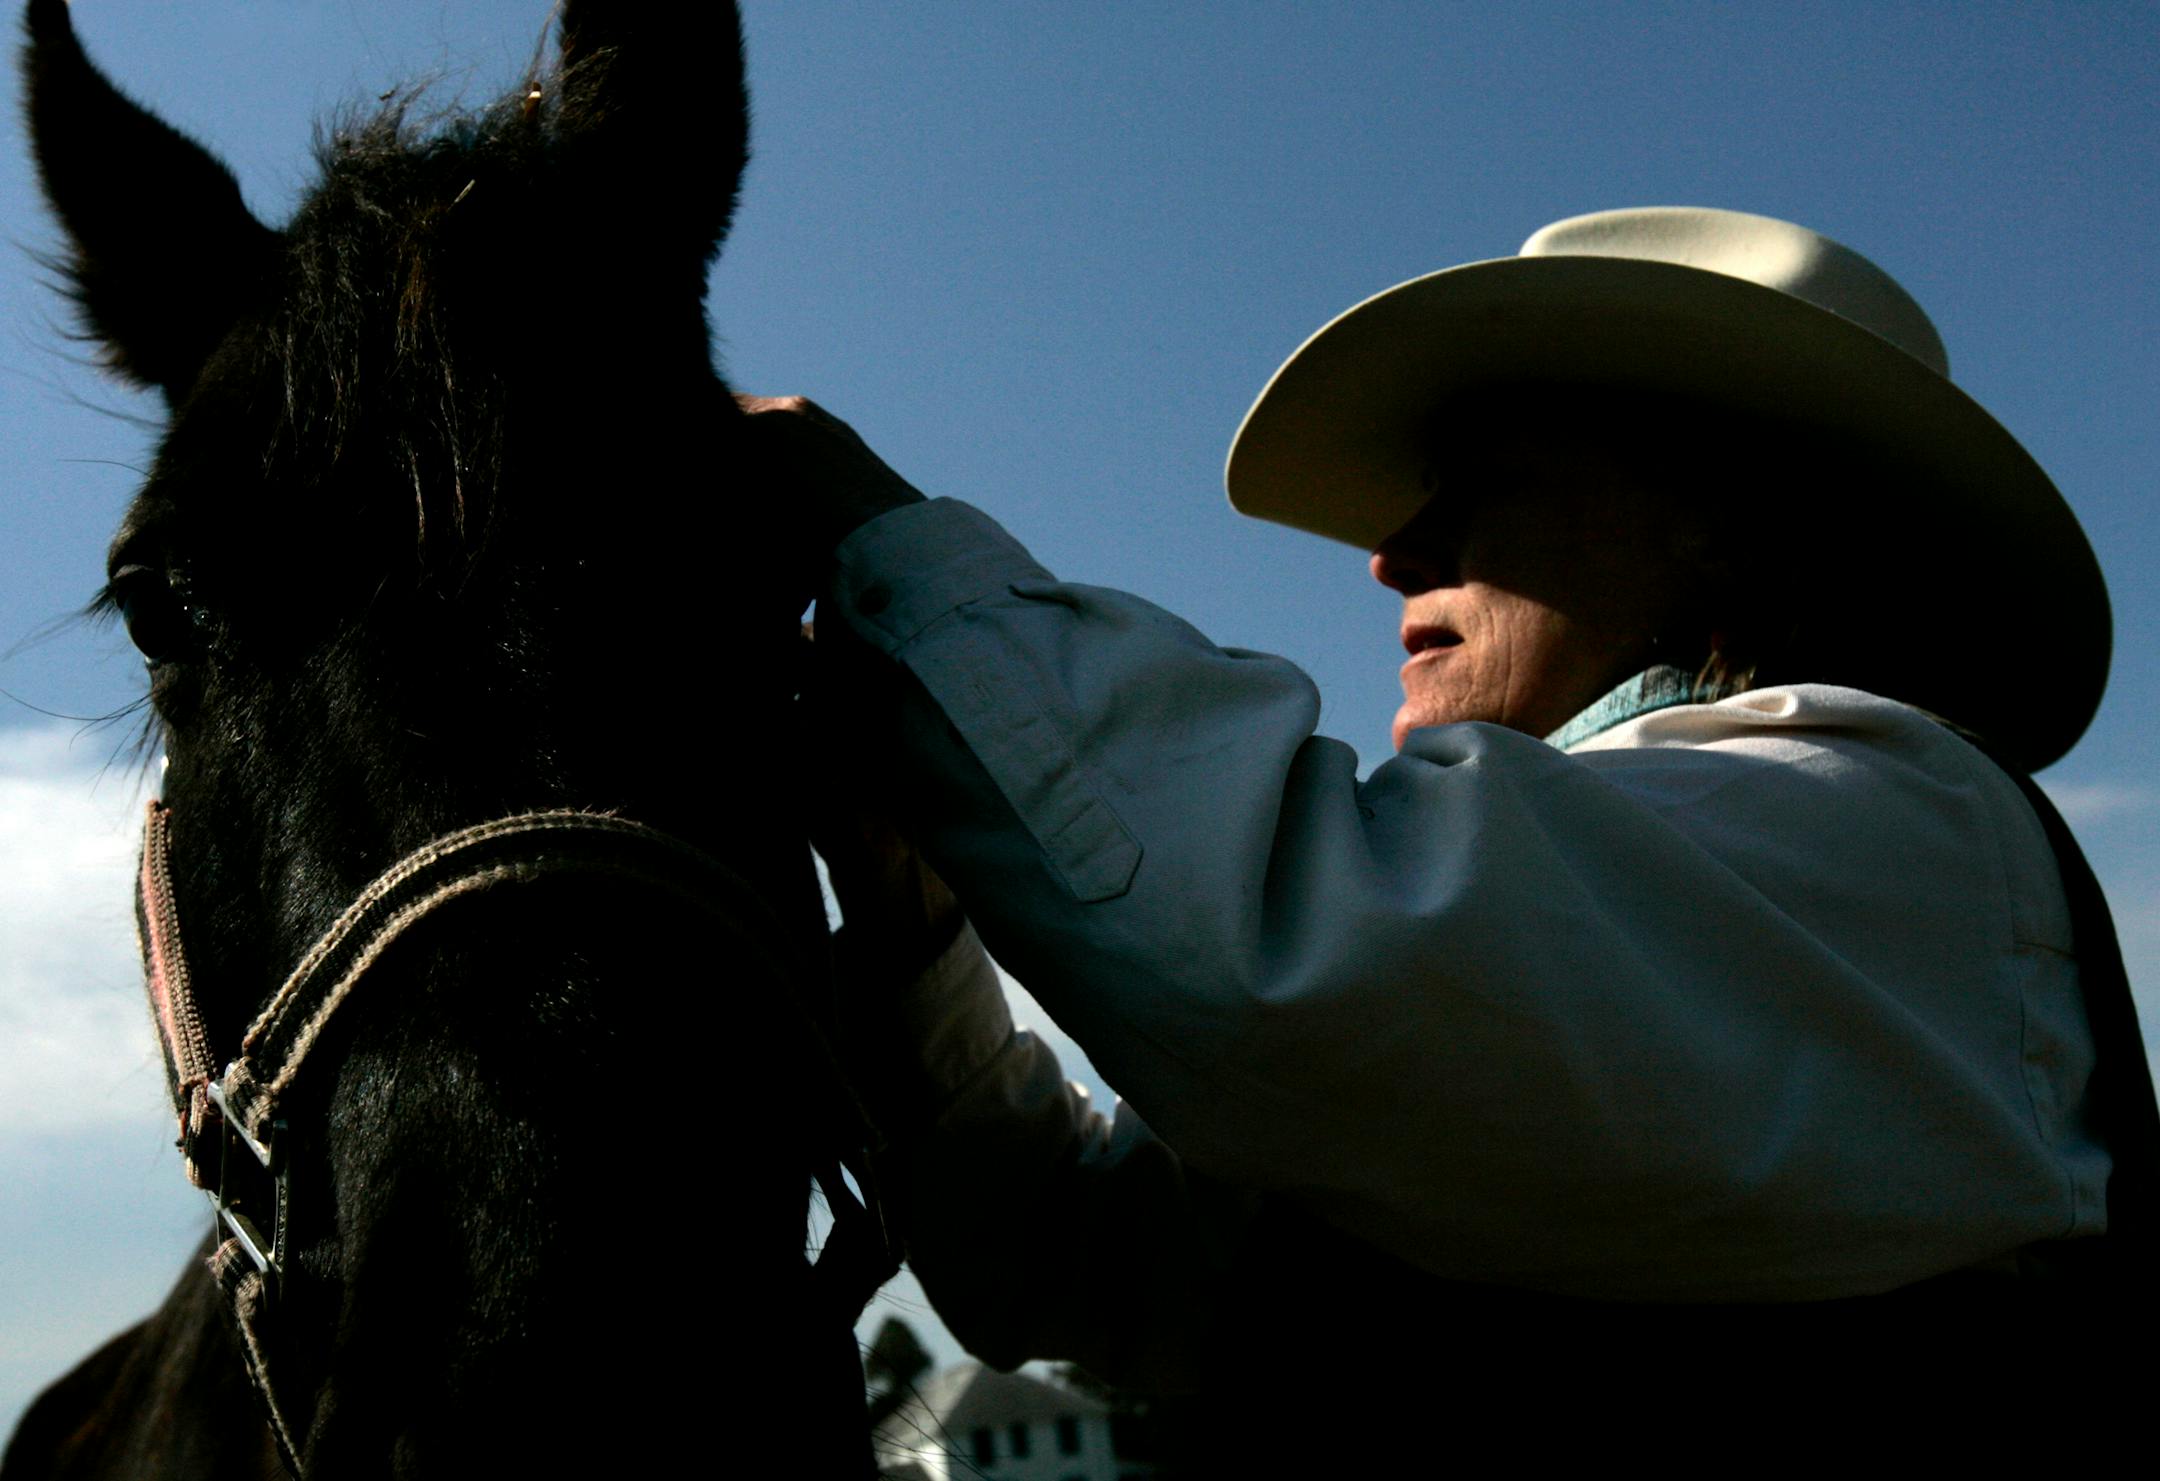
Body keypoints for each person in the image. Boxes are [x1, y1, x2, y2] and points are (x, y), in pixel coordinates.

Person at [752, 208, 2150, 1421]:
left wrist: (889, 551)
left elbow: (1285, 968)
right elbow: (1067, 1255)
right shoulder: (1566, 954)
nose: (1385, 554)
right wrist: (904, 894)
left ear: (1723, 517)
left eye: (1478, 487)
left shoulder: (1899, 813)